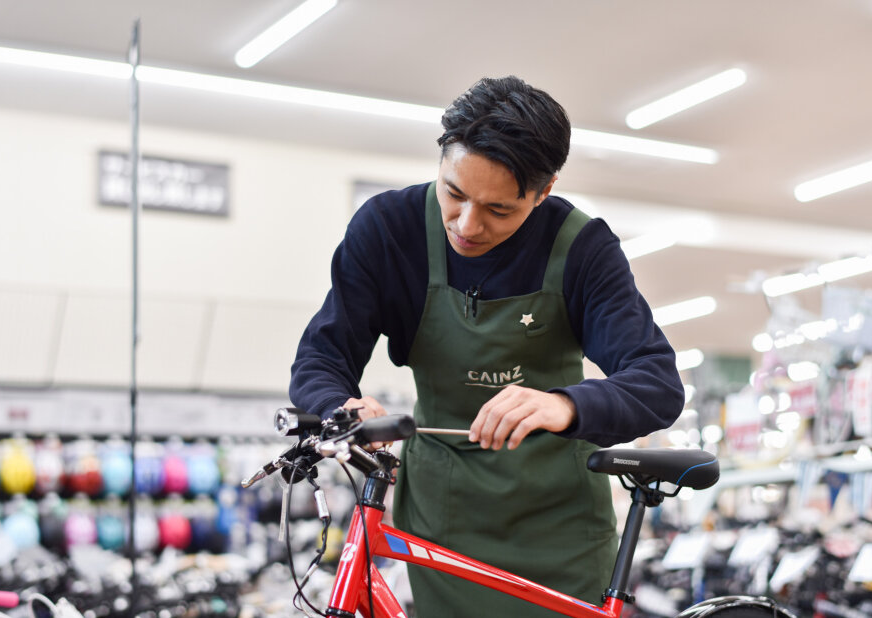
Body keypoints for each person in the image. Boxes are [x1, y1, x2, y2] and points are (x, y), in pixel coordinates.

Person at [290, 75, 684, 617]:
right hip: (442, 526)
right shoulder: (388, 231)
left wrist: (564, 403)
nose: (467, 226)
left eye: (499, 211)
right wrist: (341, 407)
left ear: (543, 192)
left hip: (560, 534)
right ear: (442, 159)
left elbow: (658, 383)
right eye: (453, 194)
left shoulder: (582, 248)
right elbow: (322, 357)